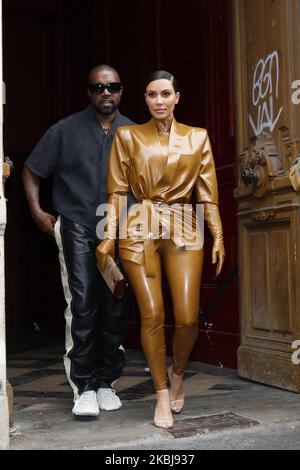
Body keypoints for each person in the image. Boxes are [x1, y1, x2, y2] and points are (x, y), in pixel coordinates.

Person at [96, 70, 225, 429]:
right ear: (146, 99)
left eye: (165, 93)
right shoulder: (128, 136)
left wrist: (218, 234)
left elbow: (208, 193)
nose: (159, 101)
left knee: (185, 317)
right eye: (152, 95)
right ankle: (162, 394)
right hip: (140, 224)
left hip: (184, 222)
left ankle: (178, 371)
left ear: (177, 97)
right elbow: (118, 191)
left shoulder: (197, 137)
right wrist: (108, 237)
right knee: (151, 314)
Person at [23, 64, 135, 417]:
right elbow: (31, 169)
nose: (106, 93)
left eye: (112, 87)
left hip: (120, 228)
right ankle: (84, 386)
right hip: (77, 225)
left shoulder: (134, 133)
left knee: (115, 305)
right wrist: (37, 211)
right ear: (89, 92)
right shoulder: (64, 130)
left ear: (121, 91)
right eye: (98, 87)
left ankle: (106, 382)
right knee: (83, 303)